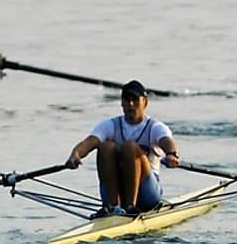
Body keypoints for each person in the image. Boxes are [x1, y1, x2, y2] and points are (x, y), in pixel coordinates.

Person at [64, 80, 180, 218]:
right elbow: (90, 142)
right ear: (121, 103)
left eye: (135, 100)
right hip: (118, 190)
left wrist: (172, 154)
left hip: (148, 195)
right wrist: (75, 154)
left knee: (129, 147)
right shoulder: (110, 125)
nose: (131, 105)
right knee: (106, 147)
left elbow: (167, 142)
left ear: (145, 103)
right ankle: (113, 206)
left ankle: (131, 206)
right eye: (127, 100)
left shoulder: (155, 127)